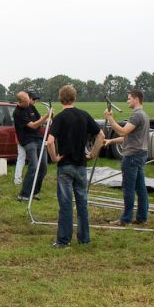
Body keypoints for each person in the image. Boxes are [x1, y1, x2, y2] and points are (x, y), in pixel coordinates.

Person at [46, 85, 104, 247]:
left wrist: (54, 158)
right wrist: (92, 154)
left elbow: (50, 141)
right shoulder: (84, 115)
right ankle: (84, 239)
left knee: (65, 205)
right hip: (81, 166)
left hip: (65, 166)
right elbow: (101, 135)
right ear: (75, 98)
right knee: (82, 203)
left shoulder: (60, 118)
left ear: (60, 98)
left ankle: (63, 241)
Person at [104, 89, 150, 225]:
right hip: (140, 154)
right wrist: (111, 141)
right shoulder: (144, 115)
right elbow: (128, 137)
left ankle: (126, 219)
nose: (127, 100)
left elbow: (123, 131)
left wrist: (110, 118)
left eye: (129, 98)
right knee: (141, 188)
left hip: (132, 156)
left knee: (128, 188)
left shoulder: (137, 115)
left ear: (136, 99)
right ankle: (142, 217)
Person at [14, 90, 52, 201]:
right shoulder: (18, 113)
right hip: (28, 141)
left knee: (43, 167)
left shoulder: (31, 107)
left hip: (39, 139)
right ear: (20, 102)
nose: (28, 104)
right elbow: (34, 125)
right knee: (34, 166)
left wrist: (49, 119)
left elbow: (40, 120)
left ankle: (35, 192)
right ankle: (23, 194)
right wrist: (46, 116)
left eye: (28, 101)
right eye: (26, 102)